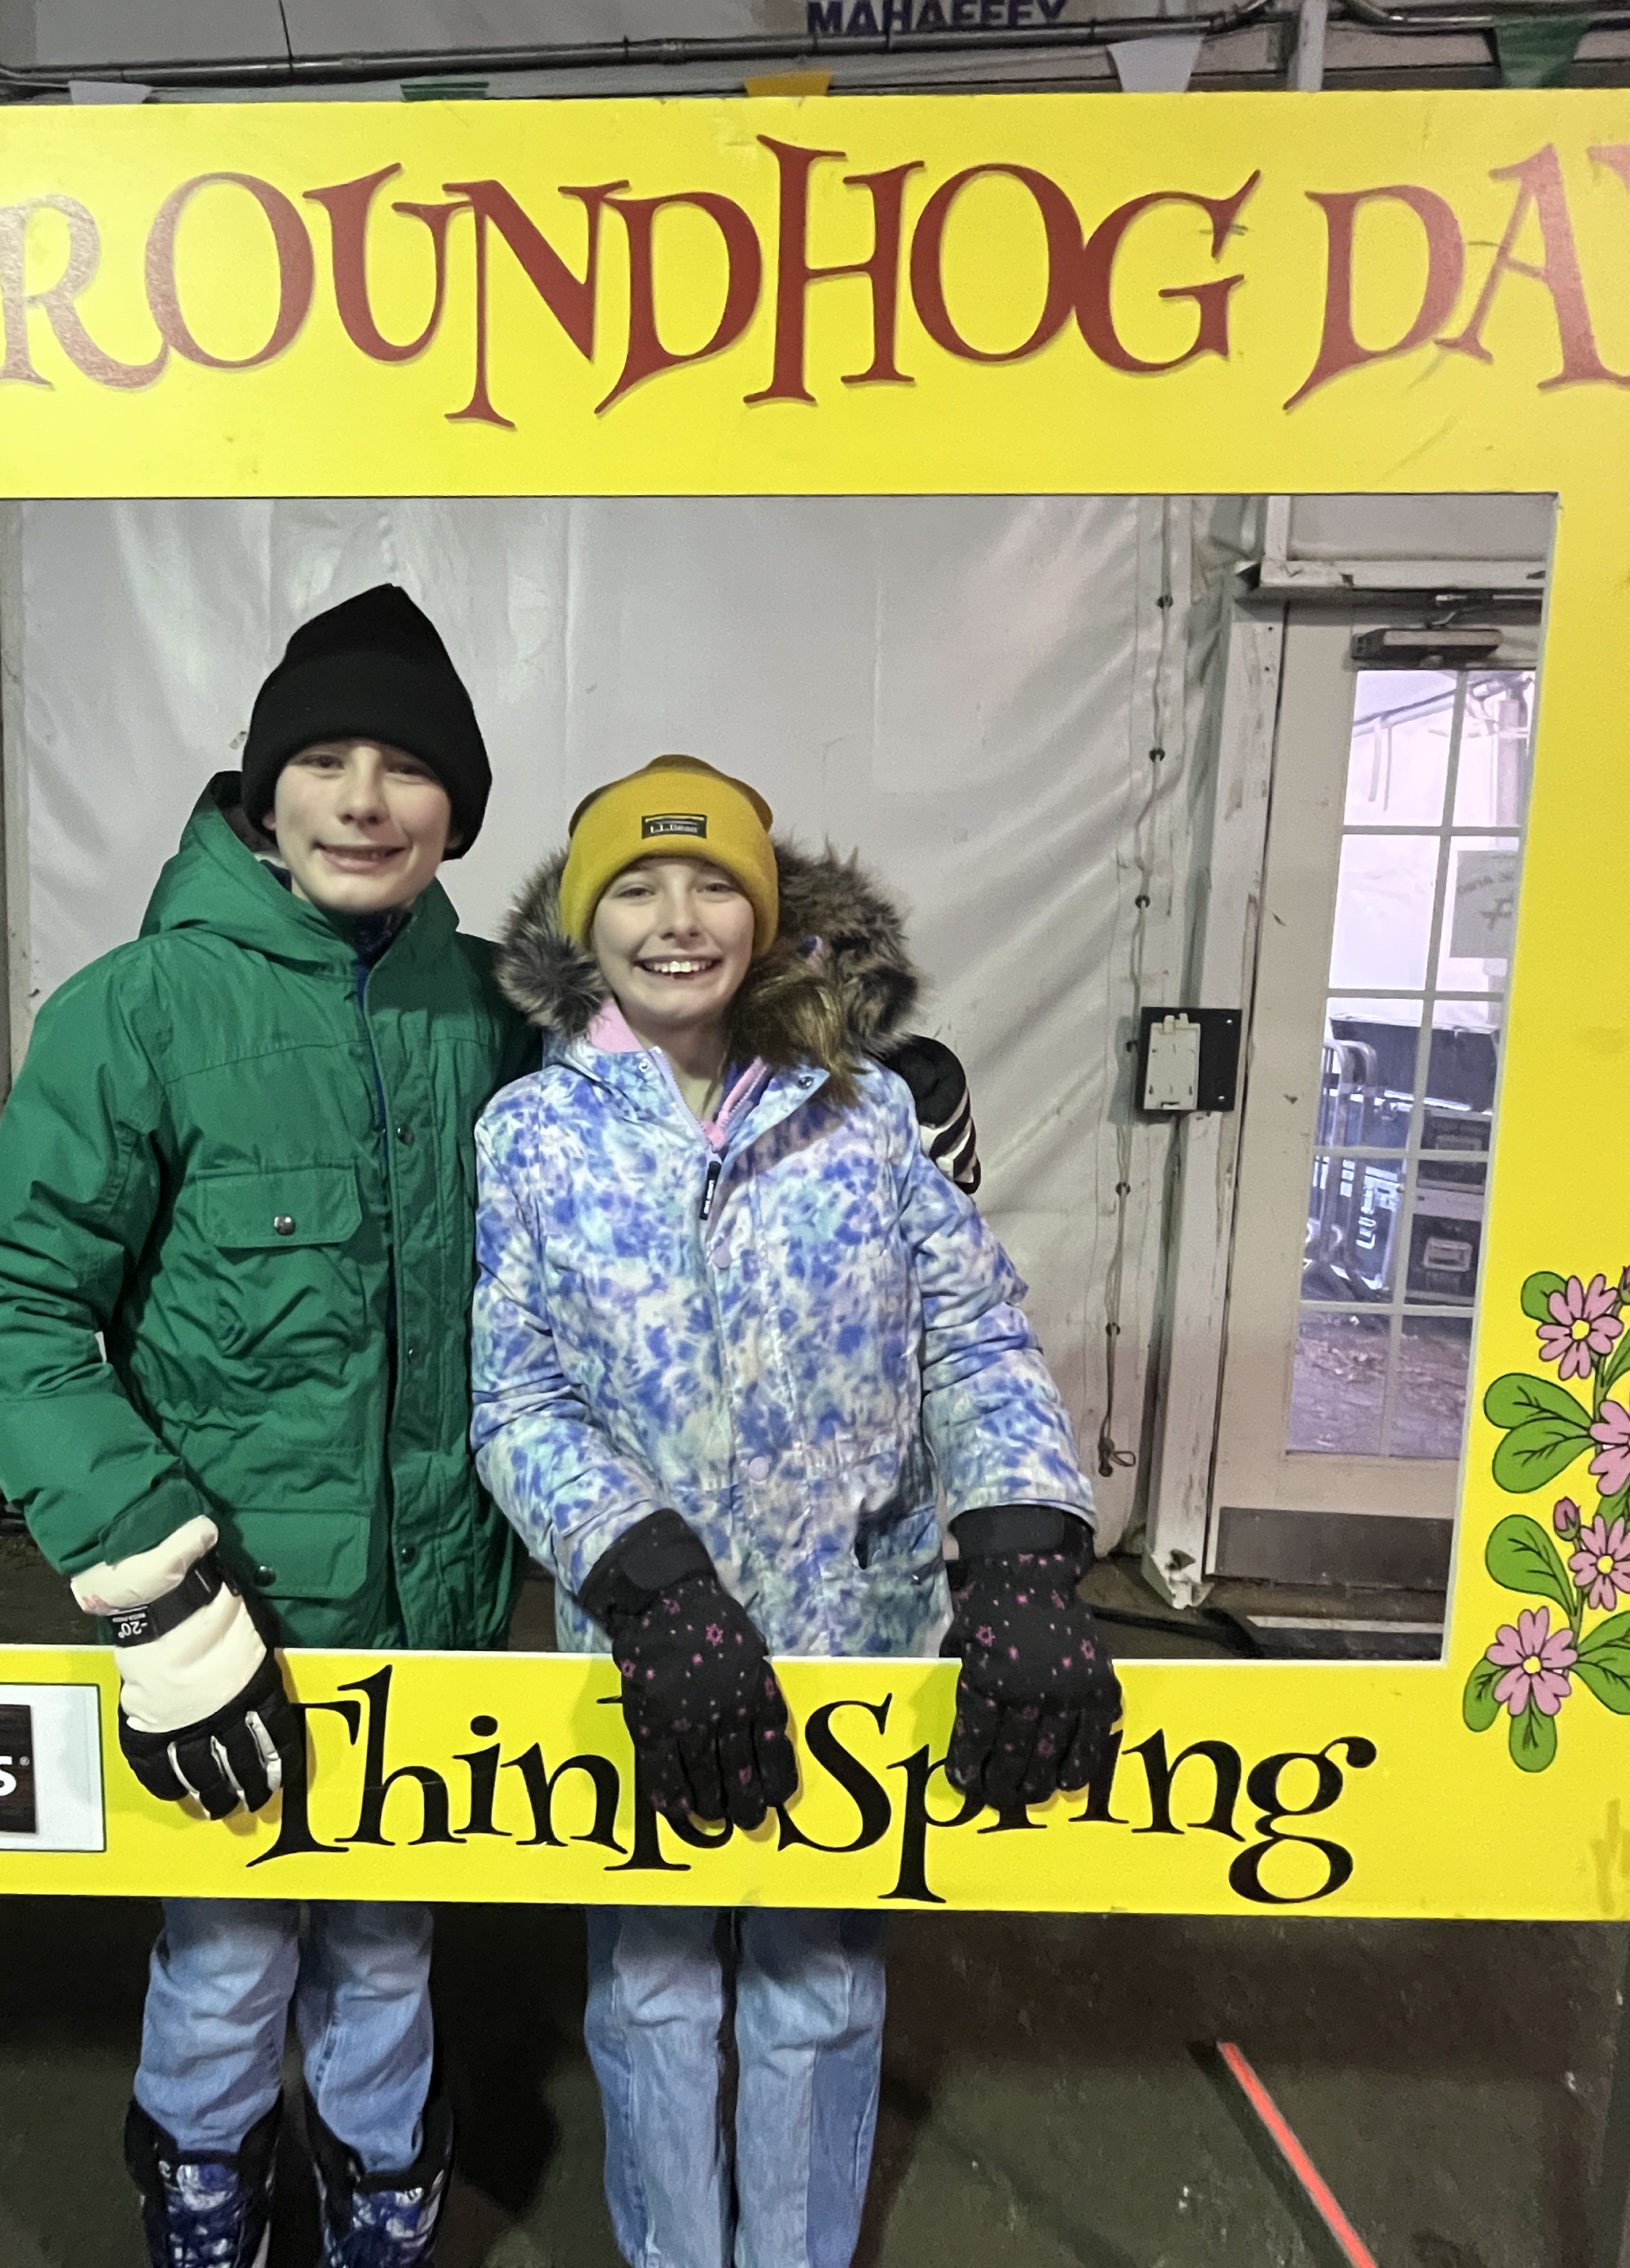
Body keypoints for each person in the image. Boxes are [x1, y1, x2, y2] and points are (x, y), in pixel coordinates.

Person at [0, 584, 535, 2268]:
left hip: (436, 1625)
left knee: (392, 1935)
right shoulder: (135, 1016)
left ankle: (379, 2183)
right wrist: (160, 1595)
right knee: (226, 1947)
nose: (365, 797)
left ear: (455, 812)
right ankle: (204, 2183)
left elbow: (687, 1068)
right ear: (262, 793)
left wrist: (869, 1081)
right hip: (237, 1632)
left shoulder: (496, 1013)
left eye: (409, 768)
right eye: (326, 759)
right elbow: (13, 1309)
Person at [469, 753, 1117, 2268]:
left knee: (816, 1992)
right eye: (637, 885)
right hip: (641, 1654)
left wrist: (1020, 1554)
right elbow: (518, 1401)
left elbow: (971, 1342)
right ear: (586, 923)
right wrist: (648, 1584)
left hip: (850, 1637)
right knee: (651, 1992)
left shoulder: (870, 1120)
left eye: (715, 886)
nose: (678, 918)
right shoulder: (534, 1138)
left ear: (767, 921)